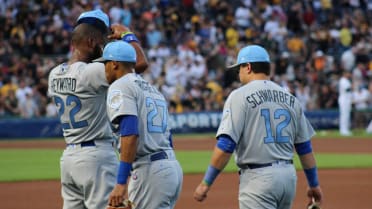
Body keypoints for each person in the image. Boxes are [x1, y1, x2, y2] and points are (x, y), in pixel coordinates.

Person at [193, 45, 323, 209]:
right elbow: (304, 147)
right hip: (288, 178)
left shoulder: (239, 96)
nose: (238, 73)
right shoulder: (290, 98)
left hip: (258, 179)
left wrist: (206, 182)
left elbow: (226, 145)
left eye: (239, 68)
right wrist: (313, 184)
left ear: (248, 67)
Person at [47, 9, 148, 209]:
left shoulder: (54, 74)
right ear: (92, 42)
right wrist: (127, 34)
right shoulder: (90, 72)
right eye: (103, 42)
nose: (106, 48)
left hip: (69, 158)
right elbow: (138, 64)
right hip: (96, 157)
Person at [94, 41, 183, 209]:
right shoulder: (152, 89)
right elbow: (167, 137)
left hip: (149, 170)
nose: (103, 68)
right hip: (171, 168)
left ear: (114, 64)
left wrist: (121, 183)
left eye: (105, 63)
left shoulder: (120, 86)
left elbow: (130, 133)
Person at [338, 70, 353, 136]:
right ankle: (343, 130)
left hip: (347, 100)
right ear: (344, 73)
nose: (349, 74)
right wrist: (352, 86)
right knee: (344, 115)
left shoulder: (346, 80)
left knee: (346, 115)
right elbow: (347, 89)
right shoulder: (343, 80)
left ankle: (345, 129)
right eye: (348, 73)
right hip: (344, 100)